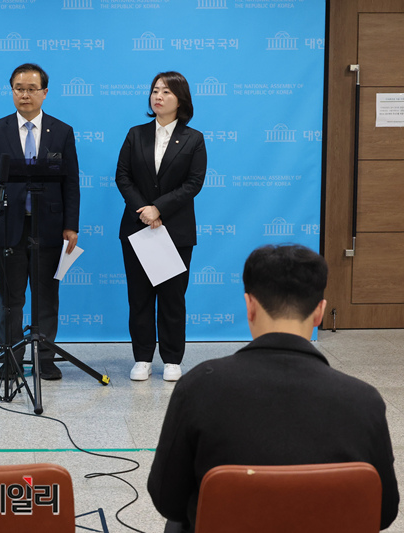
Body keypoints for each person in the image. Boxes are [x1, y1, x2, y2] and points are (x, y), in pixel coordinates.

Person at [147, 245, 399, 532]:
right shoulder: (364, 400)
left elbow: (168, 500)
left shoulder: (198, 387)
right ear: (319, 313)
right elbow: (384, 512)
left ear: (250, 306)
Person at [0, 63, 80, 381]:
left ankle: (44, 358)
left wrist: (71, 225)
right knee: (11, 299)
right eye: (19, 88)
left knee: (46, 296)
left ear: (44, 93)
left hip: (49, 227)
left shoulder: (62, 131)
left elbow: (71, 182)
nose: (25, 94)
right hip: (9, 226)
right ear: (12, 92)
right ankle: (10, 357)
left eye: (32, 89)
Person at [115, 71, 206, 383]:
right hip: (138, 227)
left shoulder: (193, 139)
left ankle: (171, 359)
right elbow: (123, 176)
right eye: (155, 91)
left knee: (172, 298)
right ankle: (142, 358)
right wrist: (144, 210)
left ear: (180, 100)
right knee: (139, 297)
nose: (158, 97)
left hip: (174, 230)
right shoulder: (136, 134)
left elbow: (193, 183)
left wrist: (159, 208)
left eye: (166, 92)